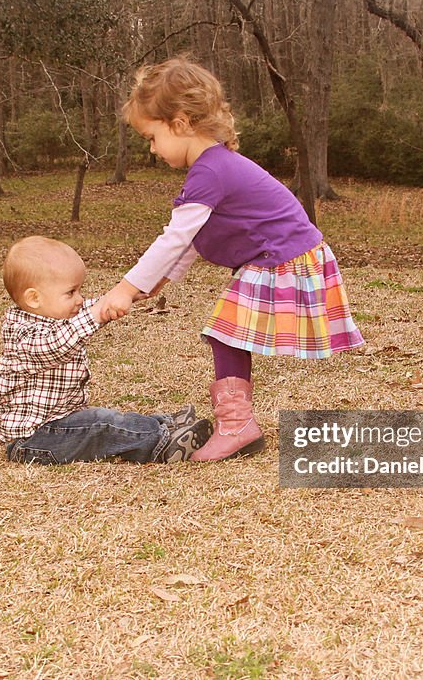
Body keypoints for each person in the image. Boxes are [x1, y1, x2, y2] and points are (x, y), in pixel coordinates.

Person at [100, 56, 366, 462]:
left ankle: (238, 426)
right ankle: (238, 423)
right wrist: (158, 283)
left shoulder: (210, 170)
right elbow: (190, 240)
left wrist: (124, 289)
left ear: (181, 122)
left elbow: (174, 239)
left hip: (283, 257)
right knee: (226, 333)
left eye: (151, 136)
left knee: (225, 332)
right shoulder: (213, 166)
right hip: (281, 254)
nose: (152, 149)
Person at [0, 236, 212, 465]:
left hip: (60, 422)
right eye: (71, 293)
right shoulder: (23, 333)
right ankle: (162, 443)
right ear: (34, 298)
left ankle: (161, 423)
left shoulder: (54, 315)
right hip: (35, 440)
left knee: (106, 420)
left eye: (79, 290)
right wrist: (97, 314)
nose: (79, 299)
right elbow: (56, 345)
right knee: (103, 425)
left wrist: (123, 297)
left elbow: (93, 308)